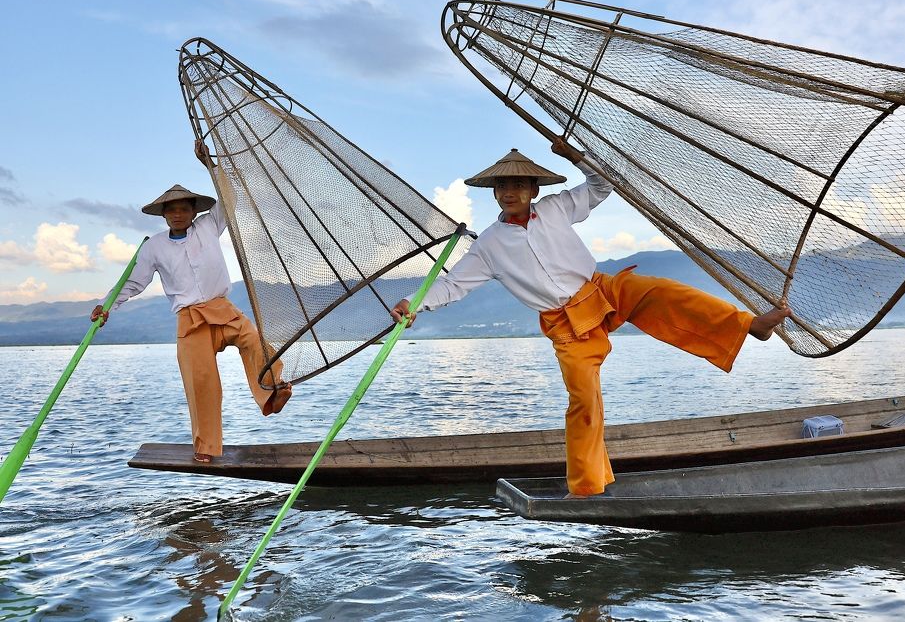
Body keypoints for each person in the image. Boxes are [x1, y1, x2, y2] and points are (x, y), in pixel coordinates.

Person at [390, 141, 791, 497]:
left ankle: (748, 326)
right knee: (584, 400)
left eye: (519, 186)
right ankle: (586, 487)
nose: (510, 192)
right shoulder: (490, 245)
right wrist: (412, 302)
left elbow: (601, 186)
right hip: (565, 325)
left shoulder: (556, 208)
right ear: (495, 194)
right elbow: (452, 285)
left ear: (533, 190)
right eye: (502, 187)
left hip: (602, 290)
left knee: (665, 293)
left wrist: (576, 157)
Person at [91, 141, 291, 464]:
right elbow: (133, 282)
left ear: (194, 211)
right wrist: (106, 306)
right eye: (172, 210)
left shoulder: (210, 225)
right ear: (165, 215)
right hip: (190, 320)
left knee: (255, 341)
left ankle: (273, 390)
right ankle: (207, 448)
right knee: (202, 384)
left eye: (184, 208)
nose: (178, 214)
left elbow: (230, 198)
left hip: (222, 309)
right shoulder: (154, 247)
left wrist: (210, 165)